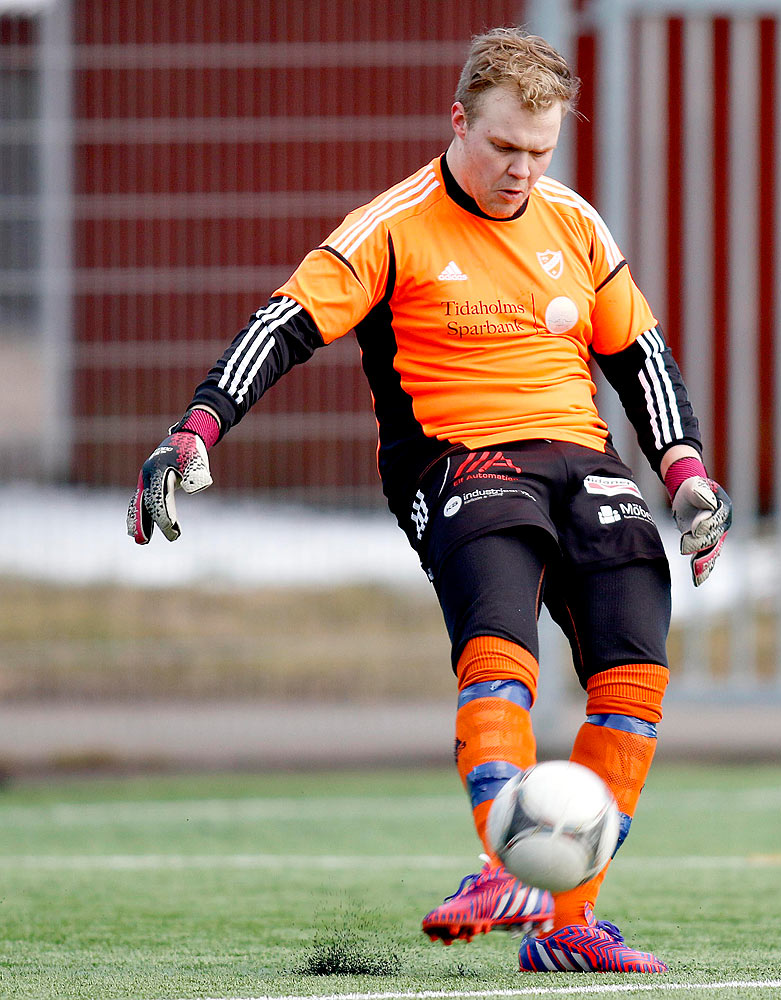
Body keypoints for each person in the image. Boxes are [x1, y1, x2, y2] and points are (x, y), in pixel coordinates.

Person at [127, 26, 730, 975]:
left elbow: (639, 355)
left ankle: (566, 923)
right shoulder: (394, 225)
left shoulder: (574, 223)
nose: (523, 170)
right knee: (501, 620)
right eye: (504, 147)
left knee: (635, 651)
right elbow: (285, 322)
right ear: (458, 122)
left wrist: (687, 474)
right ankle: (501, 858)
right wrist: (194, 430)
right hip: (460, 462)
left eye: (541, 150)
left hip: (580, 456)